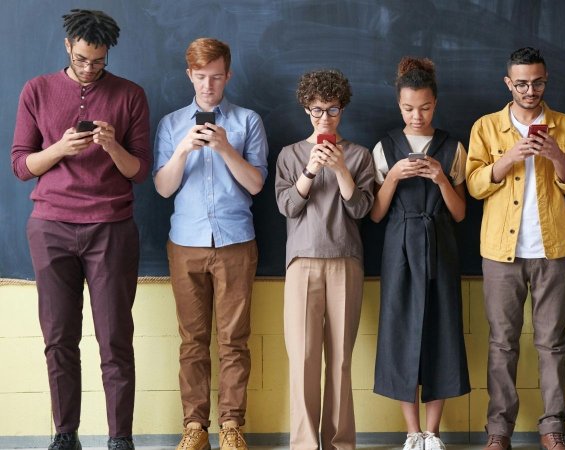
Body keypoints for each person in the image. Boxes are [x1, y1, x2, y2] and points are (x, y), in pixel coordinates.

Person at [10, 9, 150, 450]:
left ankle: (120, 438)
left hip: (111, 228)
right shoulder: (37, 90)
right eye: (83, 59)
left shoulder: (130, 94)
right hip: (50, 226)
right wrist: (60, 148)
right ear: (68, 45)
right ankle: (65, 434)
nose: (90, 69)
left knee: (115, 338)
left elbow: (139, 171)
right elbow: (21, 165)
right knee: (59, 339)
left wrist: (111, 145)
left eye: (100, 61)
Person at [153, 38, 268, 450]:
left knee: (234, 340)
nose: (208, 85)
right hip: (186, 242)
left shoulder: (247, 121)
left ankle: (232, 426)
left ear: (228, 75)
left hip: (236, 241)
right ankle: (195, 427)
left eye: (216, 77)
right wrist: (184, 149)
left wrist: (225, 148)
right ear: (190, 75)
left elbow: (256, 184)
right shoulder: (171, 124)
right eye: (201, 77)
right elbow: (163, 188)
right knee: (192, 341)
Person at [465, 47, 565, 450]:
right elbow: (474, 185)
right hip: (501, 252)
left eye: (537, 83)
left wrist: (557, 158)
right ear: (508, 83)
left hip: (553, 250)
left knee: (553, 343)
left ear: (546, 80)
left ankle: (553, 428)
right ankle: (499, 431)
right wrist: (508, 159)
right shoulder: (486, 127)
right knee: (502, 343)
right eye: (521, 84)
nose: (530, 91)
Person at [370, 57, 471, 450]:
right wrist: (394, 176)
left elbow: (460, 213)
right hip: (399, 247)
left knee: (441, 333)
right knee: (400, 332)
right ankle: (412, 432)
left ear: (436, 104)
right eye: (409, 108)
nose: (417, 116)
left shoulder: (452, 147)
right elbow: (376, 214)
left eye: (425, 108)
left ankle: (433, 432)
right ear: (399, 105)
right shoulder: (384, 148)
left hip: (440, 245)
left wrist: (441, 178)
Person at [275, 69, 375, 450]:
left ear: (342, 109)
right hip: (301, 262)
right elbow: (288, 206)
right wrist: (311, 169)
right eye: (317, 110)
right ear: (306, 109)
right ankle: (304, 444)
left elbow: (361, 209)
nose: (325, 118)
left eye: (332, 110)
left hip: (346, 260)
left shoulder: (359, 155)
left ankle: (339, 443)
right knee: (303, 360)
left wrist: (339, 168)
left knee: (341, 361)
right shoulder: (290, 155)